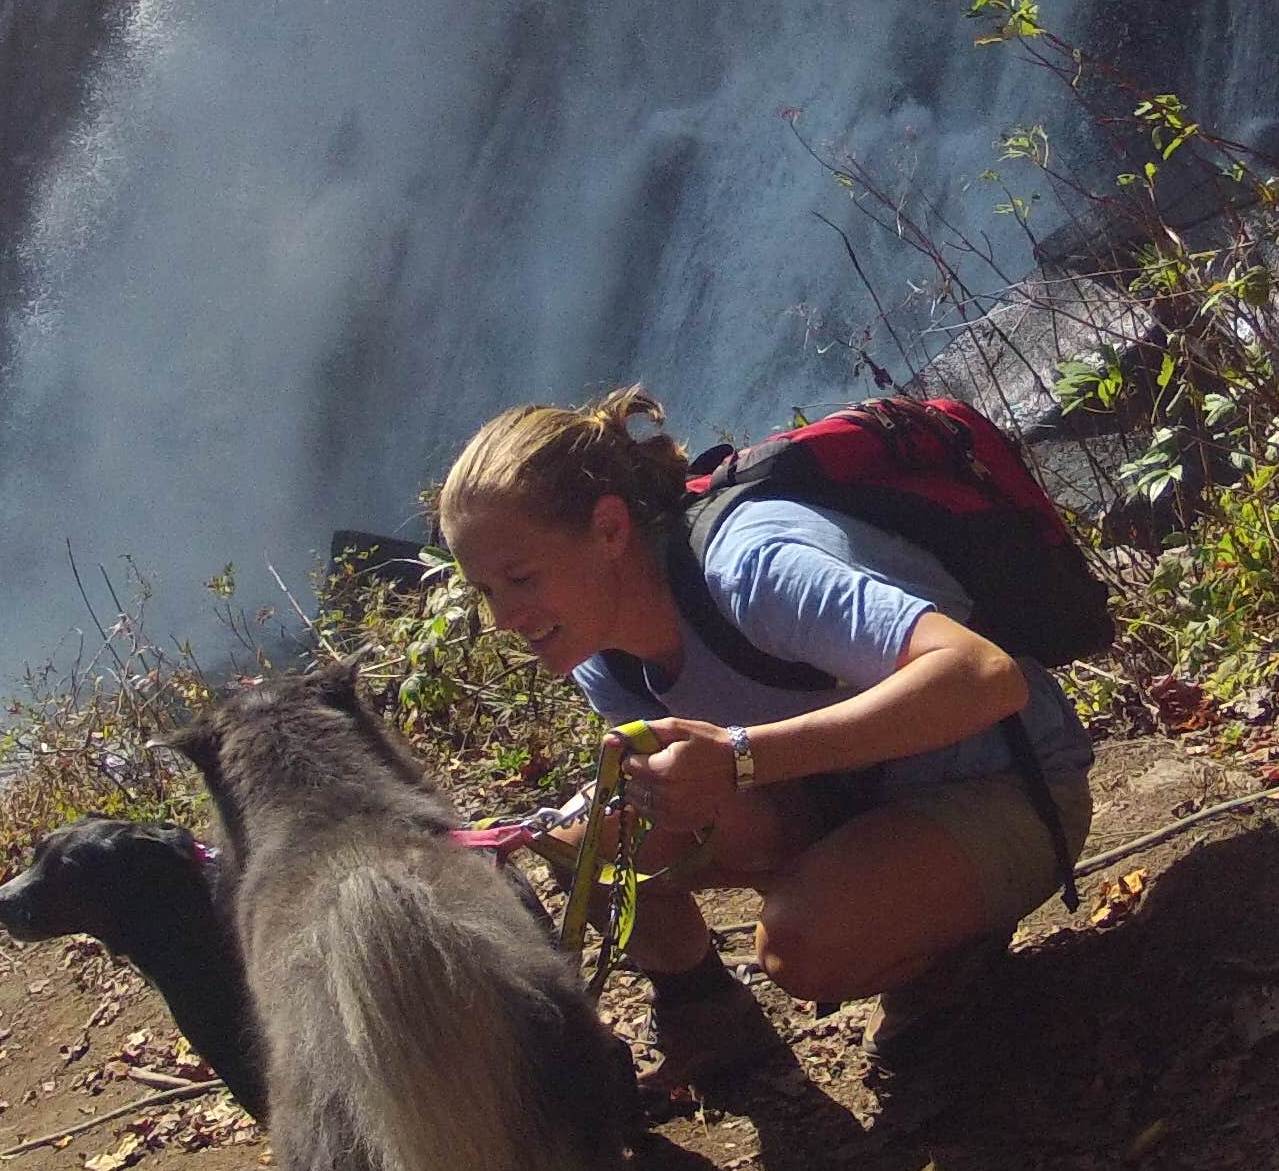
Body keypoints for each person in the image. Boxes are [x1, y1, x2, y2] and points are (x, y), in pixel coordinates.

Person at [431, 386, 1094, 1089]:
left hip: (1009, 787)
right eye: (486, 591)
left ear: (608, 529)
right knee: (590, 836)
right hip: (854, 800)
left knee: (806, 945)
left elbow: (984, 677)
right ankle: (707, 1016)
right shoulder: (604, 656)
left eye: (521, 578)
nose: (506, 617)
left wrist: (741, 759)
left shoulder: (753, 565)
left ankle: (949, 950)